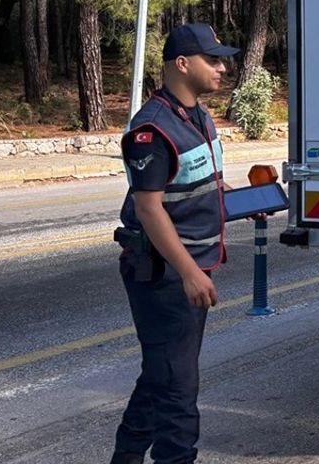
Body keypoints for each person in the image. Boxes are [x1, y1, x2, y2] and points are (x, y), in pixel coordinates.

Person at [110, 23, 240, 464]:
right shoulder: (152, 128)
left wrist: (246, 204)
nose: (222, 68)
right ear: (182, 64)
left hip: (189, 269)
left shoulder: (198, 116)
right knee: (178, 396)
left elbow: (196, 192)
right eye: (213, 59)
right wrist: (188, 272)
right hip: (164, 276)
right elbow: (149, 209)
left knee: (160, 379)